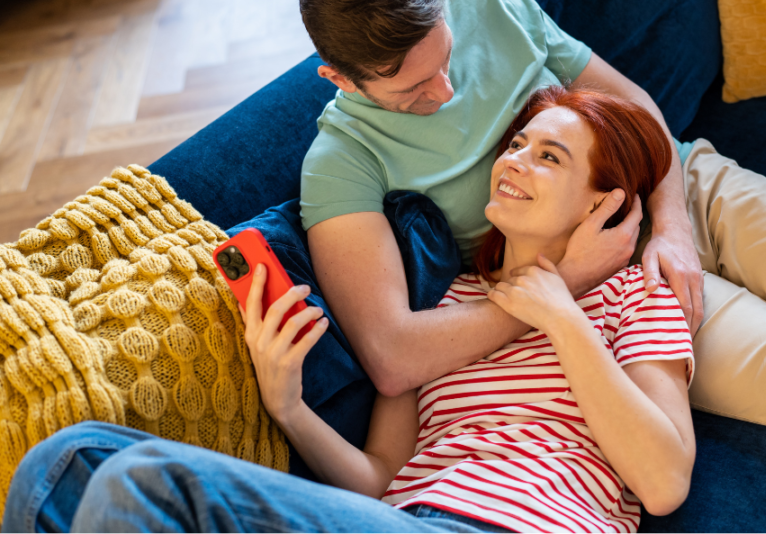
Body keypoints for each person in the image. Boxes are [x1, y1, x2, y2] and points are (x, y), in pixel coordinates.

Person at [298, 0, 766, 456]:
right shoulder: (341, 164)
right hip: (610, 300)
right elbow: (392, 356)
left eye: (446, 56)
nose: (447, 88)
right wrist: (565, 283)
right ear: (342, 78)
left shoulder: (486, 1)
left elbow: (632, 103)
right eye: (414, 86)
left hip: (676, 184)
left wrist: (671, 227)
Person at [4, 86, 695, 533]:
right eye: (516, 144)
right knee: (62, 462)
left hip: (519, 525)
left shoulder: (629, 301)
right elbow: (379, 479)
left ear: (606, 204)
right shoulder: (446, 305)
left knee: (139, 483)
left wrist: (563, 312)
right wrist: (289, 407)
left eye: (549, 157)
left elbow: (662, 482)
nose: (514, 162)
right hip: (398, 519)